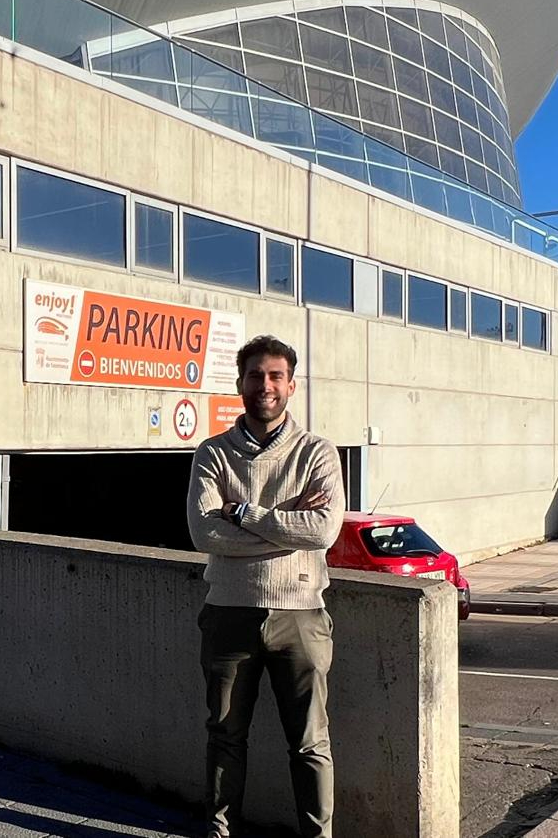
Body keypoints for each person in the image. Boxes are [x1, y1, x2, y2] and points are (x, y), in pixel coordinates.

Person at [186, 334, 345, 838]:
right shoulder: (213, 453)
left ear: (291, 385)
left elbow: (321, 531)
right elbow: (204, 533)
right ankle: (219, 832)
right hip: (229, 613)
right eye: (255, 375)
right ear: (240, 383)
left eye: (276, 375)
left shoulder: (317, 453)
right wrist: (285, 523)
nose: (265, 385)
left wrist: (245, 514)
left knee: (310, 742)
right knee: (224, 736)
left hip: (301, 616)